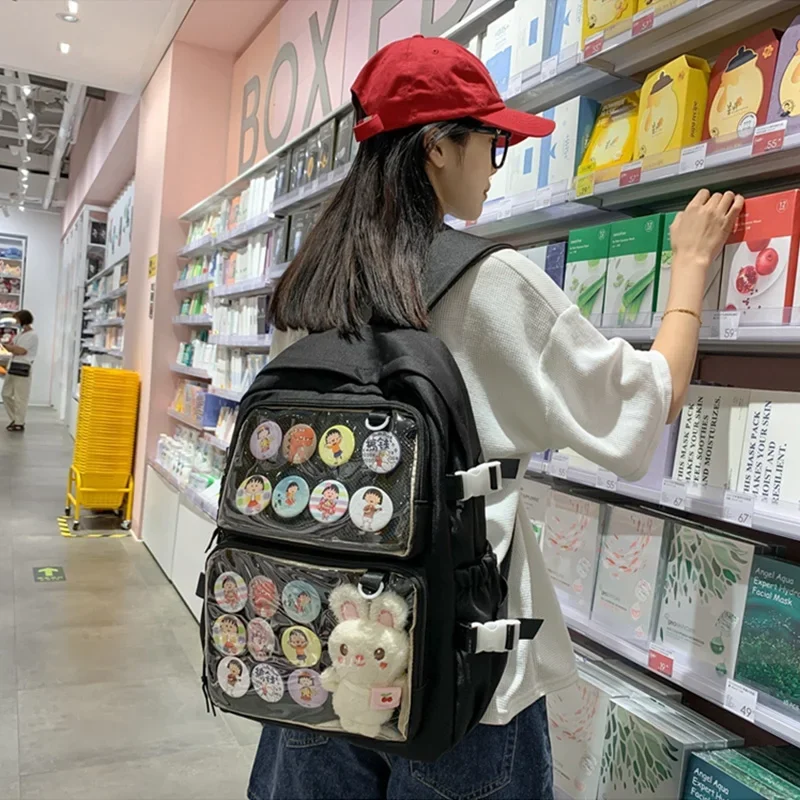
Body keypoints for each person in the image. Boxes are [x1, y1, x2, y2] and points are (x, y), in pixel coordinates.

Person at [248, 36, 744, 800]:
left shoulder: (307, 287)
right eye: (494, 140)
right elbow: (643, 411)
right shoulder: (491, 282)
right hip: (460, 681)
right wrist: (690, 271)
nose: (496, 158)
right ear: (438, 148)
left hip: (317, 651)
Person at [2, 309, 38, 432]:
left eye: (17, 319)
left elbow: (21, 351)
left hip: (23, 367)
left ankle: (19, 422)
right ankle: (15, 418)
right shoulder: (20, 334)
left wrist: (8, 347)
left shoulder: (32, 335)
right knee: (6, 394)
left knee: (20, 397)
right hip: (13, 366)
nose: (16, 322)